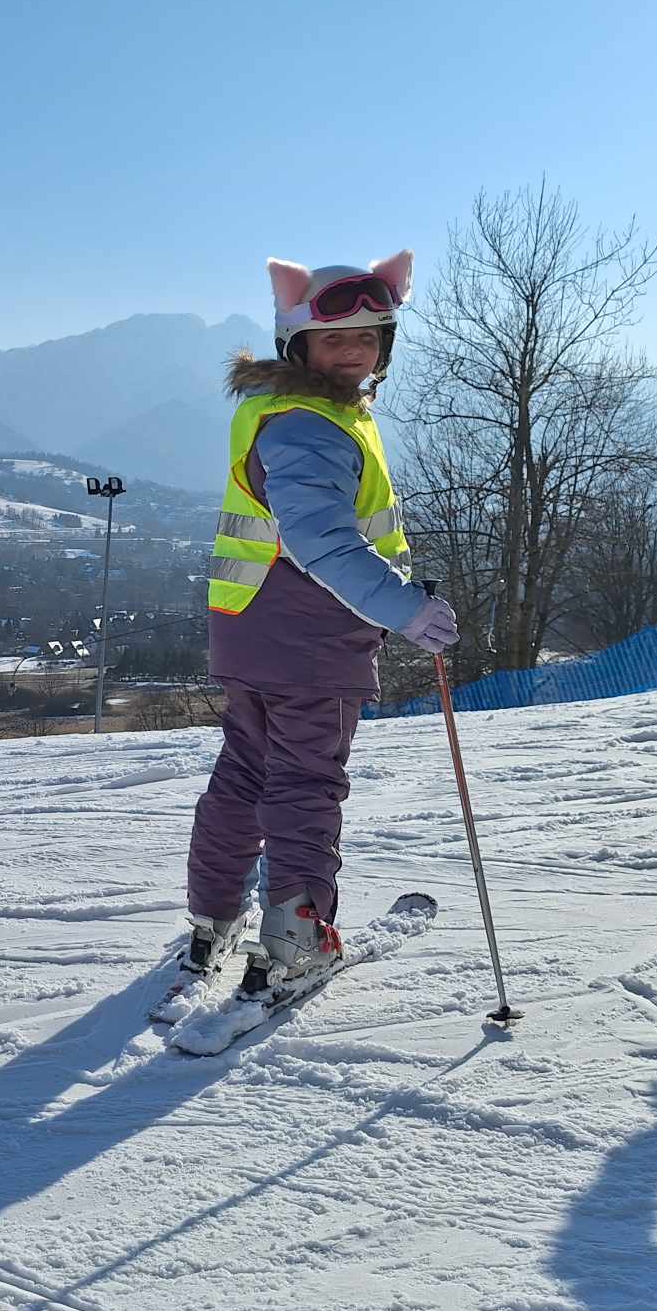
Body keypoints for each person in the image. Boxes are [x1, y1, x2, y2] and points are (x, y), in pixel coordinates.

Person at [183, 252, 459, 990]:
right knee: (305, 783)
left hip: (251, 629)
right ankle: (297, 941)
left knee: (245, 774)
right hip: (309, 639)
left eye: (370, 337)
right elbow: (321, 541)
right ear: (297, 343)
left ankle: (212, 920)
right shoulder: (311, 425)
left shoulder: (286, 410)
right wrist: (408, 610)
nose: (355, 350)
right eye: (337, 338)